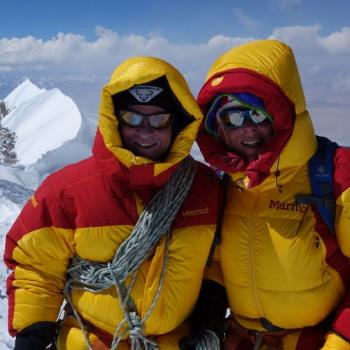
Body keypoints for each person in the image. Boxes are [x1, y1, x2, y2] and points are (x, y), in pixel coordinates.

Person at [4, 56, 227, 350]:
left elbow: (217, 258)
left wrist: (208, 316)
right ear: (114, 120)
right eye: (133, 117)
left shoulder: (206, 188)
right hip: (92, 341)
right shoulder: (66, 192)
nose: (145, 130)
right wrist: (32, 335)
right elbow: (37, 268)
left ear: (178, 124)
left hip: (179, 341)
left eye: (159, 118)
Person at [196, 39, 350, 349]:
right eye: (234, 118)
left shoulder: (335, 171)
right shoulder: (224, 184)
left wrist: (342, 339)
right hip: (240, 339)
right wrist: (207, 320)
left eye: (258, 114)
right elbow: (214, 264)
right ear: (219, 128)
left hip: (315, 340)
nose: (248, 129)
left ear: (281, 117)